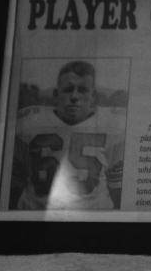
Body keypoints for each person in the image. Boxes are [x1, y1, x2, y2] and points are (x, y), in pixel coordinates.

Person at [10, 60, 126, 211]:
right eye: (68, 89)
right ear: (56, 95)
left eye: (82, 90)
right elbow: (15, 180)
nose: (74, 96)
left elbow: (117, 187)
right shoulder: (27, 122)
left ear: (93, 96)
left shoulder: (115, 125)